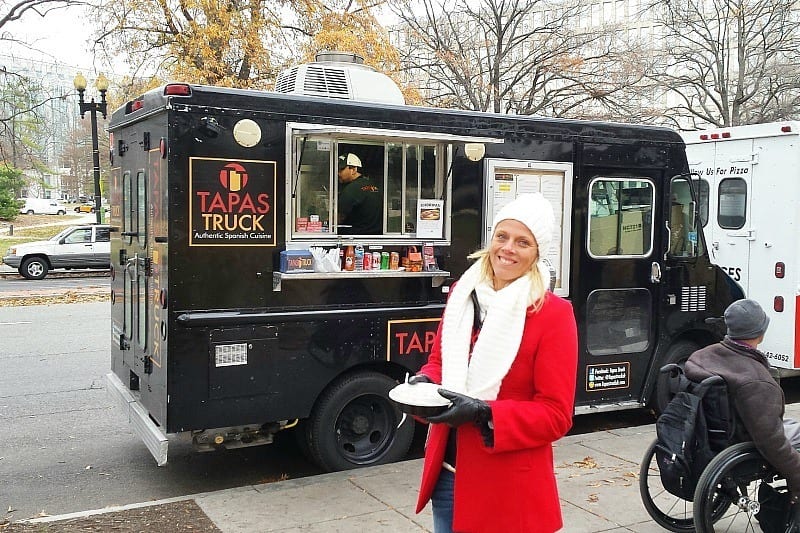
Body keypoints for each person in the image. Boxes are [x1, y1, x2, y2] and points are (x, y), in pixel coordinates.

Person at [409, 193, 578, 533]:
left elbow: (556, 415)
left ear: (537, 253)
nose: (508, 248)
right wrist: (426, 384)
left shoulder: (554, 315)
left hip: (508, 488)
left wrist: (485, 413)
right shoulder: (462, 293)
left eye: (523, 242)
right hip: (448, 474)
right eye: (502, 236)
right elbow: (439, 361)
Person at [685, 299, 800, 501]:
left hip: (714, 435)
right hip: (745, 438)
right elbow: (770, 440)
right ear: (761, 333)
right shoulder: (757, 381)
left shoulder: (701, 356)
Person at [337, 152, 382, 235]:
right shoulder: (375, 185)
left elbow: (338, 218)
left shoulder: (351, 189)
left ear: (353, 170)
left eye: (341, 169)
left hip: (356, 240)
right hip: (377, 237)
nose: (338, 173)